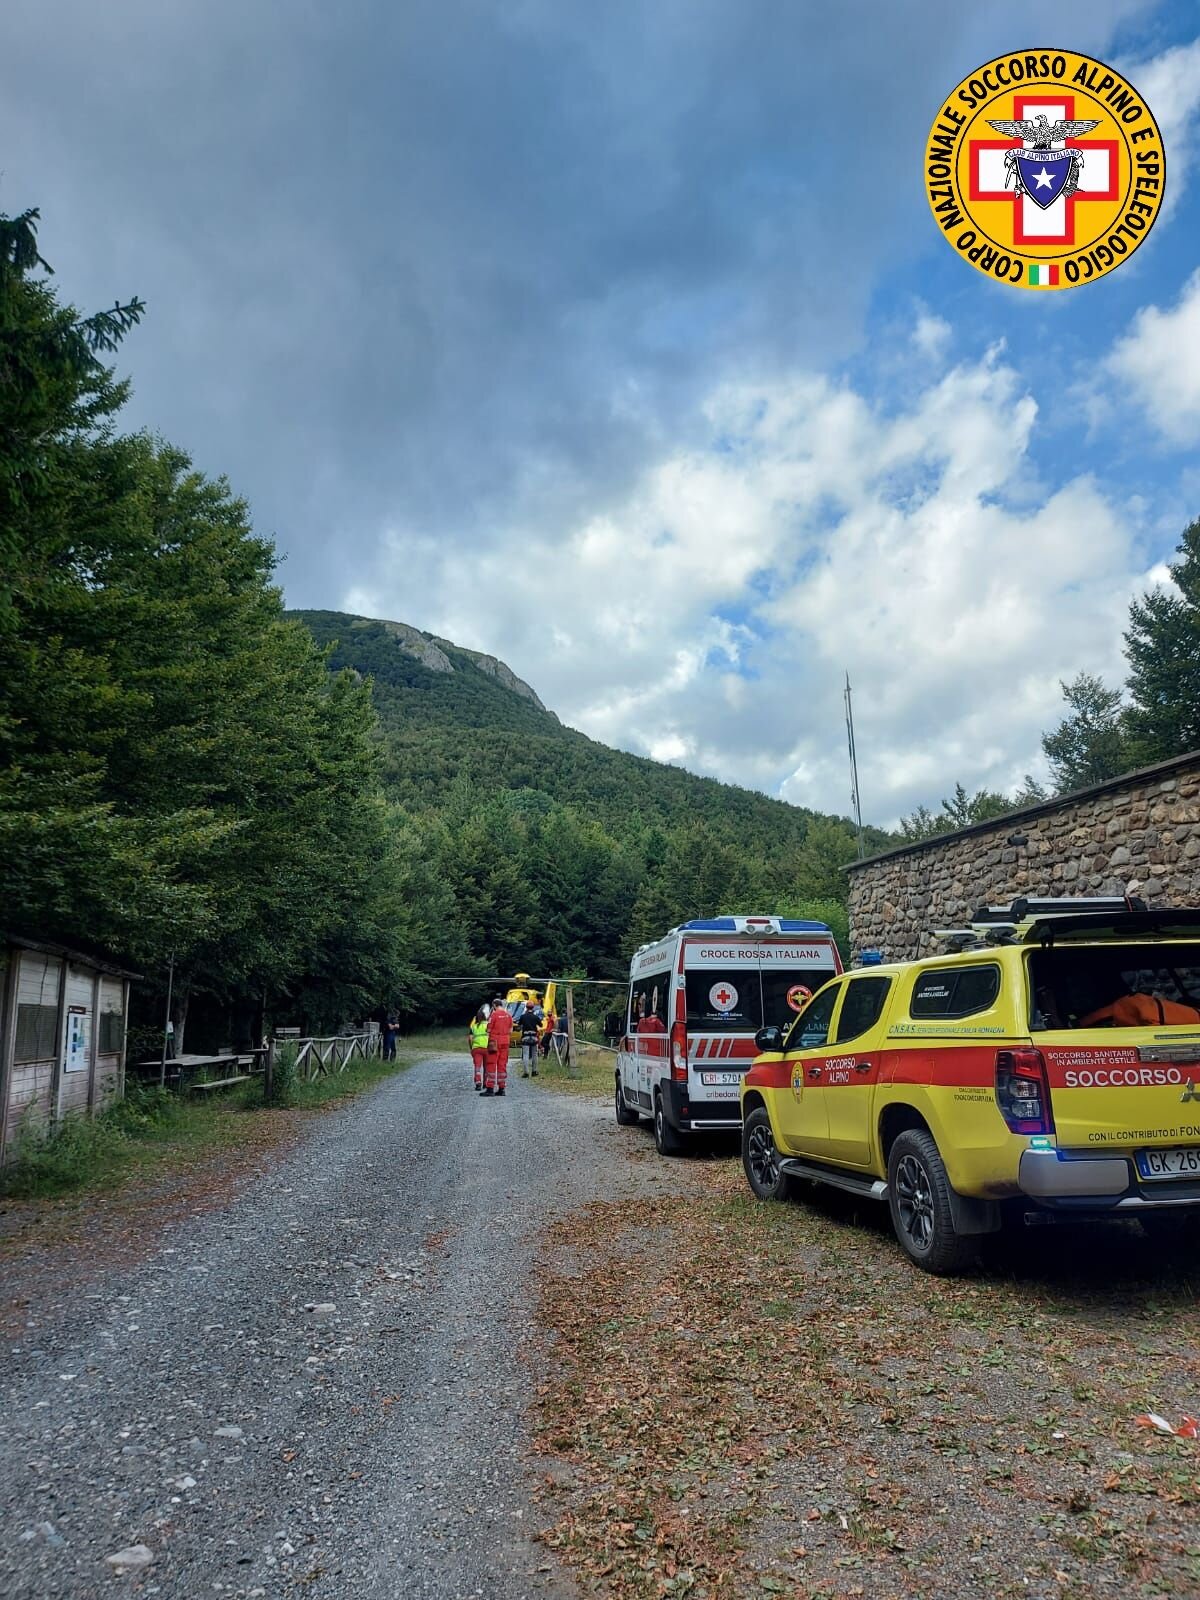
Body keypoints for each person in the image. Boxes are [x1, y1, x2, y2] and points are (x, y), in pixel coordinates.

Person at [485, 997, 513, 1096]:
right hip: (506, 1042)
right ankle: (501, 1088)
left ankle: (490, 1088)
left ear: (494, 1005)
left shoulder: (493, 1015)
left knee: (491, 1064)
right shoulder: (509, 1015)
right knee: (502, 1065)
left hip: (495, 1043)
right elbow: (510, 1031)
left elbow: (488, 1030)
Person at [519, 1001, 543, 1077]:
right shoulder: (535, 1017)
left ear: (526, 1007)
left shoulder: (523, 1016)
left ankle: (526, 1072)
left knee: (525, 1055)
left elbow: (519, 1024)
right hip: (534, 1037)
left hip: (525, 1037)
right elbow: (541, 1025)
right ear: (533, 1008)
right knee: (534, 1055)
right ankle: (534, 1071)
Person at [468, 1006, 490, 1090]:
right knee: (486, 1067)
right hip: (487, 1048)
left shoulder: (474, 1026)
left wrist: (471, 1048)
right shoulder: (488, 1025)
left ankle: (478, 1083)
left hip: (476, 1048)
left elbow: (470, 1038)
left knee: (477, 1066)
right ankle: (485, 1083)